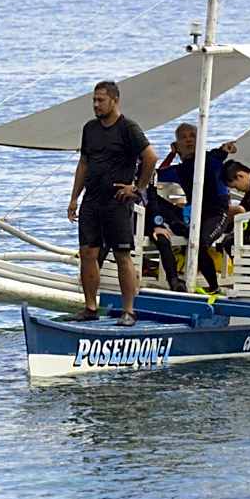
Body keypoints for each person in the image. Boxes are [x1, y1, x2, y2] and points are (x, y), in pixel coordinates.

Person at [67, 80, 158, 326]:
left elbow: (150, 157)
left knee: (121, 254)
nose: (96, 105)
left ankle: (128, 310)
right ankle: (90, 306)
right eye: (94, 100)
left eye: (101, 100)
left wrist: (137, 188)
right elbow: (84, 163)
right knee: (88, 252)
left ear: (114, 100)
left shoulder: (128, 128)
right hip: (92, 200)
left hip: (117, 201)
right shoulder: (90, 128)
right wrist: (74, 197)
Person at [156, 122, 235, 292]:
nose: (189, 140)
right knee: (163, 208)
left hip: (217, 214)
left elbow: (222, 152)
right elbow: (158, 174)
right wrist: (172, 154)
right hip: (196, 215)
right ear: (177, 145)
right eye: (183, 138)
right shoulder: (178, 170)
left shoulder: (210, 159)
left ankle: (214, 288)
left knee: (198, 244)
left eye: (192, 136)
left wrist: (227, 148)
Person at [143, 184, 188, 293]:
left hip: (149, 218)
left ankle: (173, 280)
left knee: (163, 240)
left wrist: (157, 224)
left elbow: (153, 200)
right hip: (129, 218)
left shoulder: (149, 178)